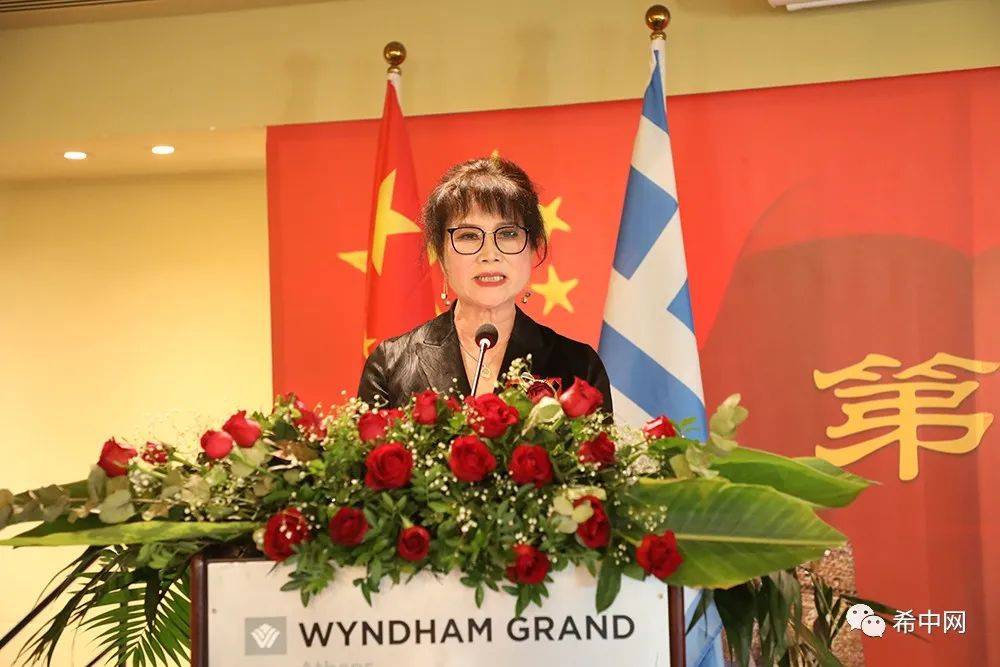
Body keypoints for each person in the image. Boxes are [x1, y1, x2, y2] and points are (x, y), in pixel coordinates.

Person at [357, 156, 613, 418]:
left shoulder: (579, 366)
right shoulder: (390, 365)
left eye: (508, 233)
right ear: (441, 255)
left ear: (532, 248)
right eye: (468, 236)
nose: (490, 255)